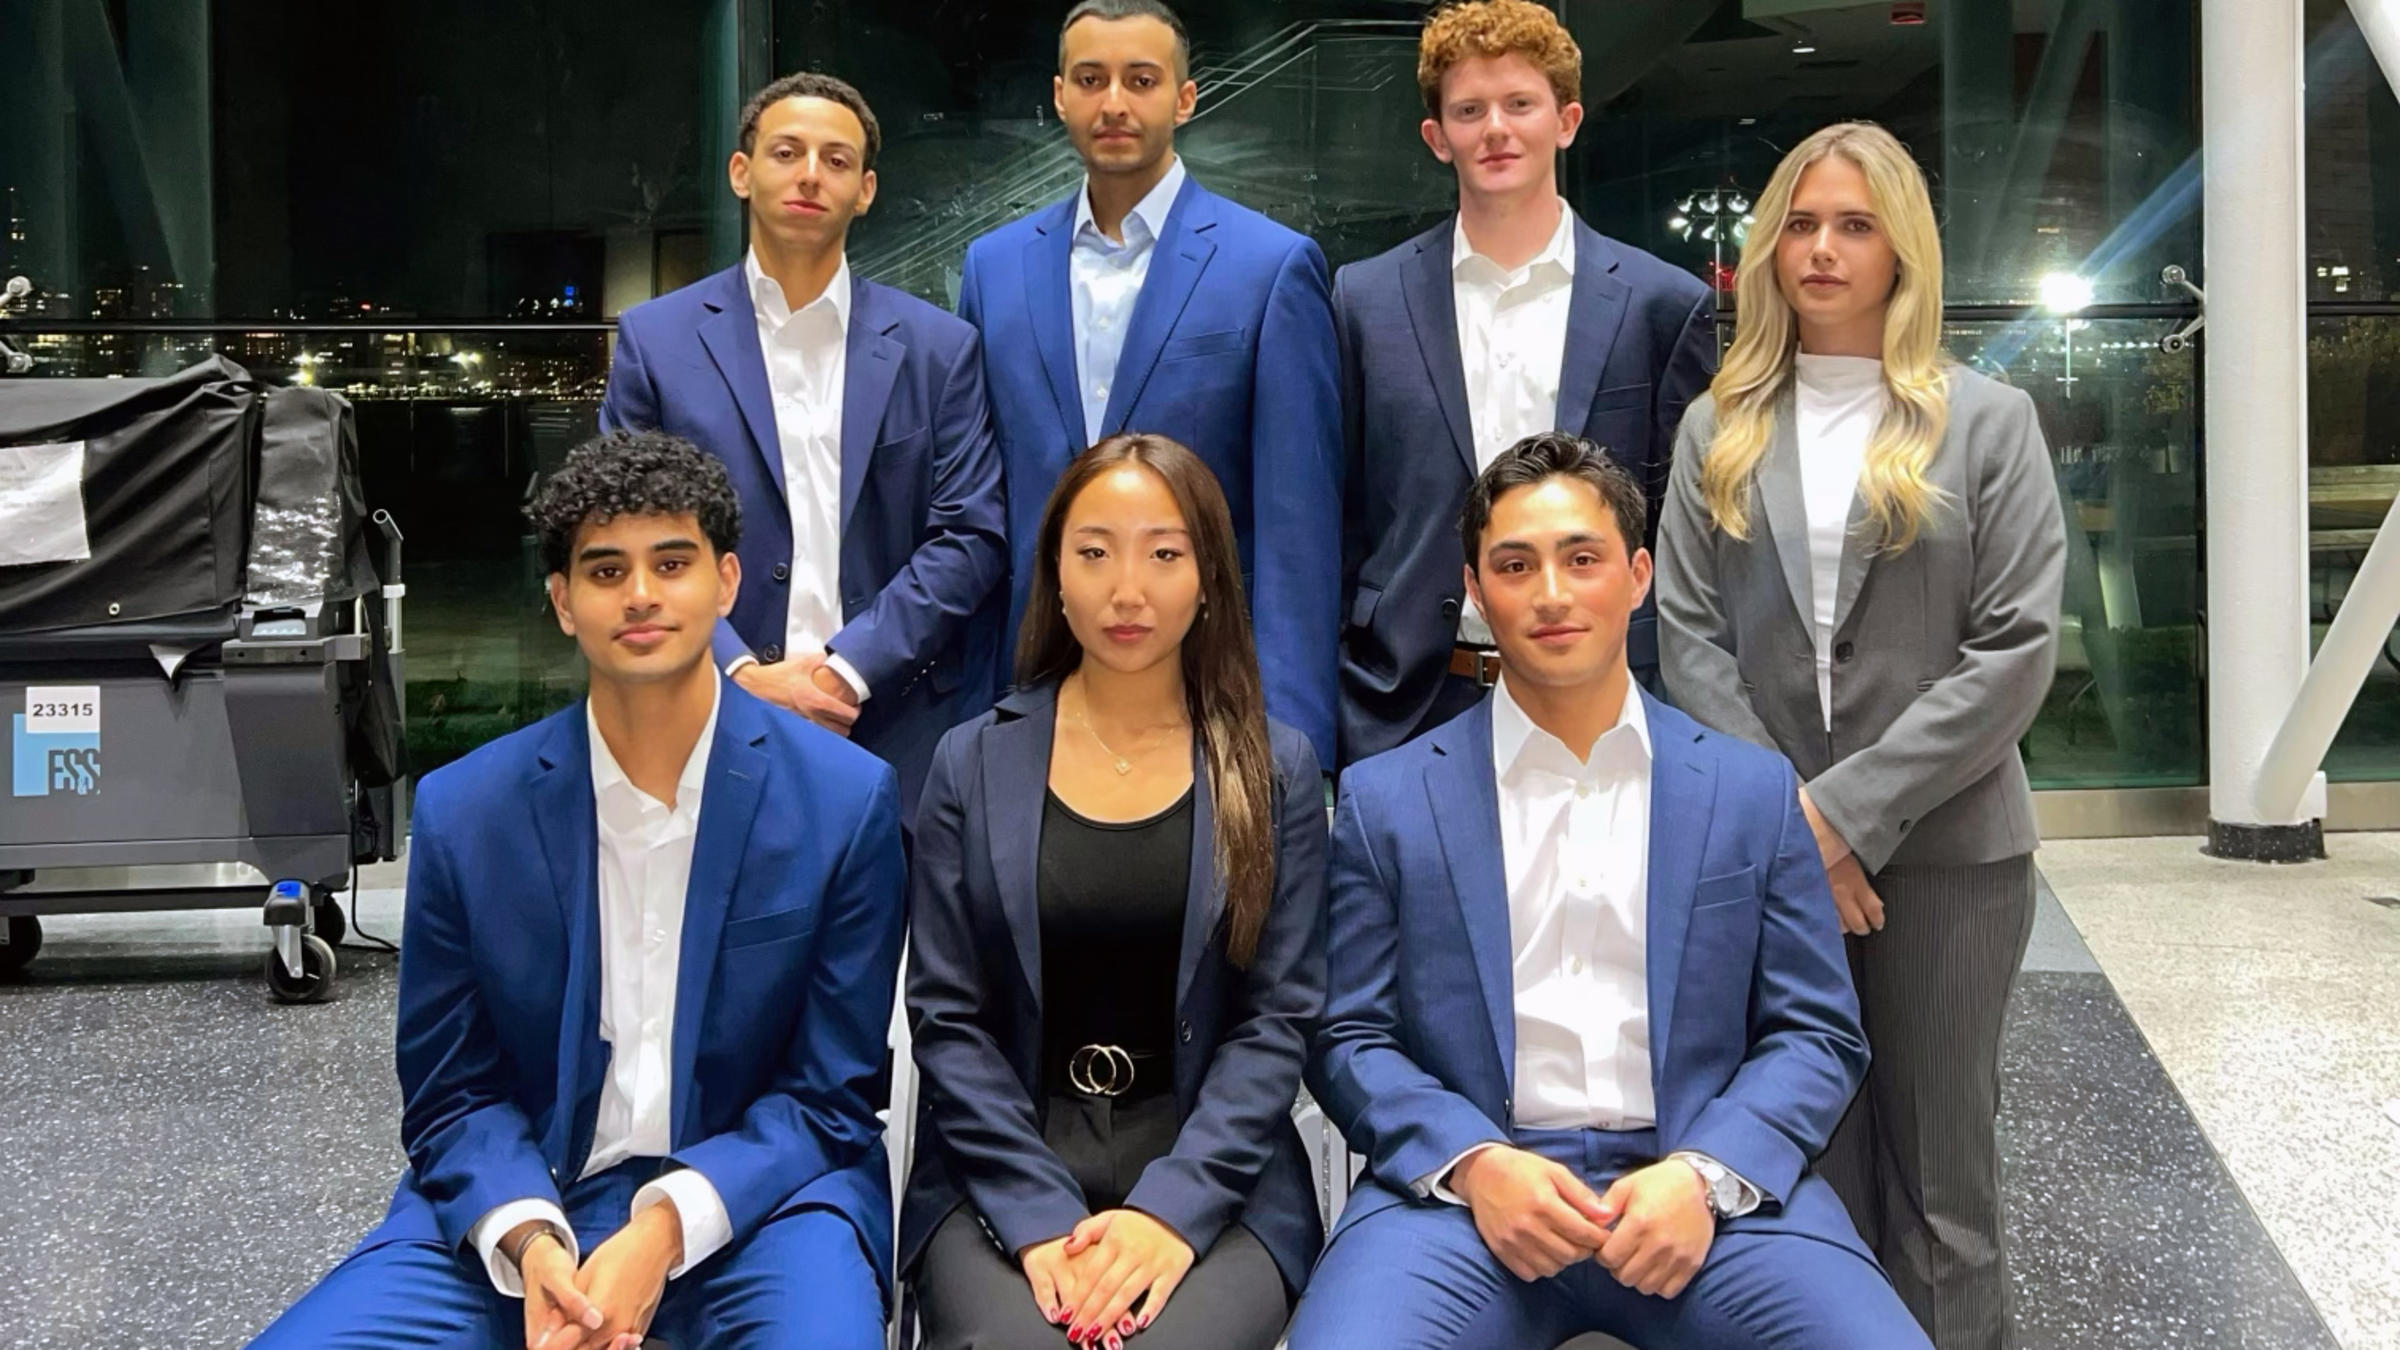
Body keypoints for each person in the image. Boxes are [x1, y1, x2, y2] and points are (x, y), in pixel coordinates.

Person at [249, 431, 903, 1349]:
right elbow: (450, 1094)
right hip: (526, 1200)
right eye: (605, 571)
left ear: (724, 583)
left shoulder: (843, 801)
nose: (640, 595)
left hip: (764, 1207)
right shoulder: (468, 811)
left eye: (670, 564)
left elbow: (831, 1097)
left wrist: (662, 1229)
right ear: (562, 602)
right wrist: (532, 1243)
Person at [1290, 433, 1929, 1350]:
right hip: (1462, 1206)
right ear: (1475, 592)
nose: (1551, 593)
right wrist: (1472, 1162)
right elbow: (1348, 1033)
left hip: (1708, 1199)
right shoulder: (1388, 800)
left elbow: (1818, 1032)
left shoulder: (1750, 793)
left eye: (1581, 559)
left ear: (1637, 577)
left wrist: (1706, 1173)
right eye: (1516, 565)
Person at [1654, 121, 2066, 1350]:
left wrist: (1842, 817)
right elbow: (1687, 640)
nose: (1822, 249)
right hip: (1771, 863)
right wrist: (1796, 832)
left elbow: (2015, 650)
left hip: (1951, 856)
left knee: (1946, 1183)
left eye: (1854, 224)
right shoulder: (1717, 428)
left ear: (1902, 249)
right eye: (1800, 224)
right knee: (1806, 1172)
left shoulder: (1988, 422)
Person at [901, 434, 1326, 1350]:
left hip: (1214, 1175)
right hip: (1002, 1169)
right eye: (1094, 552)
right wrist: (1037, 1215)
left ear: (1208, 579)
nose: (1127, 589)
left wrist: (1171, 1211)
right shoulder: (971, 762)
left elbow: (1275, 1022)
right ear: (1055, 574)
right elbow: (946, 1017)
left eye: (1164, 554)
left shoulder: (1274, 769)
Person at [602, 71, 1007, 822]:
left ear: (866, 190)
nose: (811, 175)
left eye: (837, 159)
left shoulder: (939, 349)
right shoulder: (656, 343)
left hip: (896, 728)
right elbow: (624, 535)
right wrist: (738, 671)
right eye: (787, 152)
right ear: (741, 172)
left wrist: (845, 672)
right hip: (705, 717)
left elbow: (969, 536)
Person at [958, 0, 1342, 769]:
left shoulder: (1270, 266)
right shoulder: (992, 268)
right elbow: (977, 501)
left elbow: (1297, 528)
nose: (1114, 104)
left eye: (1140, 80)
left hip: (1209, 690)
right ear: (1059, 95)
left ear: (1185, 98)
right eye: (1090, 80)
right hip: (1029, 685)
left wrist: (1292, 749)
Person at [1335, 0, 1715, 768]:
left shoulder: (1662, 306)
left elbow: (1685, 529)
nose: (1496, 129)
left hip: (1609, 698)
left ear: (1566, 121)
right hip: (1409, 704)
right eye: (1469, 111)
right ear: (1437, 137)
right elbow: (1341, 511)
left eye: (1519, 104)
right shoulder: (1364, 300)